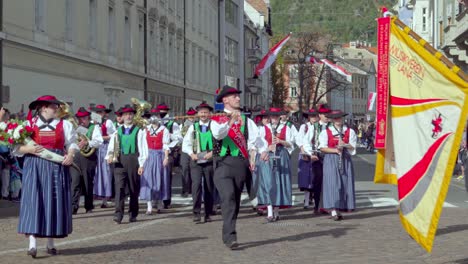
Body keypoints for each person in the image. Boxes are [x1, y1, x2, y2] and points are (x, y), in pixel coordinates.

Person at [14, 95, 78, 258]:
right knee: (33, 201)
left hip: (56, 167)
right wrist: (28, 150)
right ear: (43, 108)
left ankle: (50, 243)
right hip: (34, 166)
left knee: (53, 201)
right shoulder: (28, 125)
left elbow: (71, 143)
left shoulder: (65, 125)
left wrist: (70, 155)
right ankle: (32, 245)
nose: (56, 108)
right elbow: (16, 147)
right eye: (53, 106)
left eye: (56, 106)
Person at [210, 85, 267, 249]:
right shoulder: (216, 119)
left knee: (234, 201)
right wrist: (231, 121)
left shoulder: (247, 120)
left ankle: (229, 231)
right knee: (227, 197)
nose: (238, 98)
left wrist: (263, 151)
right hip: (223, 164)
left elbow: (258, 139)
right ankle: (230, 237)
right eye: (234, 96)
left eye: (238, 96)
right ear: (225, 100)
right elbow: (218, 134)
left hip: (240, 165)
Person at [106, 104, 148, 224]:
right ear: (122, 117)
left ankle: (133, 213)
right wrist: (109, 156)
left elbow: (143, 148)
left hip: (133, 160)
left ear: (133, 116)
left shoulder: (139, 131)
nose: (128, 116)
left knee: (133, 188)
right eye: (126, 114)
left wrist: (141, 164)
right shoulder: (117, 131)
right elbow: (112, 146)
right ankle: (118, 214)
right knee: (119, 188)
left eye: (130, 114)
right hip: (119, 161)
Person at [318, 109, 357, 221]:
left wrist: (345, 145)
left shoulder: (349, 131)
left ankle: (340, 208)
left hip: (345, 159)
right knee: (332, 184)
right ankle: (333, 210)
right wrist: (335, 150)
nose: (337, 120)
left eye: (339, 117)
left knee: (345, 183)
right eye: (335, 118)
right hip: (331, 159)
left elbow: (353, 147)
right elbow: (322, 148)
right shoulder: (326, 132)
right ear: (332, 119)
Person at [182, 102, 215, 223]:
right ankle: (196, 213)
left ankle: (208, 213)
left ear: (210, 114)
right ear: (198, 114)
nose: (203, 114)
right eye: (201, 112)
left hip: (209, 160)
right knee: (196, 186)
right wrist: (192, 154)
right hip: (196, 160)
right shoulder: (193, 127)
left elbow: (219, 142)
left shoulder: (214, 126)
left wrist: (212, 153)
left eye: (206, 112)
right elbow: (186, 144)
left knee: (209, 186)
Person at [70, 107, 103, 214]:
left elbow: (99, 141)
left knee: (87, 182)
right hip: (76, 157)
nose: (81, 121)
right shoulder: (75, 127)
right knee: (75, 182)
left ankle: (88, 206)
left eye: (83, 118)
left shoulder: (94, 128)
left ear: (88, 118)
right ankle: (73, 206)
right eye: (79, 118)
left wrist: (87, 143)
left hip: (89, 158)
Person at [265, 107, 293, 222]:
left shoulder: (286, 128)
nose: (274, 118)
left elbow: (291, 144)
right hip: (269, 155)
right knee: (269, 182)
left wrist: (280, 141)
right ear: (270, 117)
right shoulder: (264, 128)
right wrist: (268, 148)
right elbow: (257, 145)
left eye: (276, 116)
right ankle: (269, 211)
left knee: (280, 182)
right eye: (272, 116)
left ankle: (276, 211)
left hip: (282, 155)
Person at [140, 108, 170, 215]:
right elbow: (142, 146)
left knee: (159, 179)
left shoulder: (164, 130)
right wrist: (142, 160)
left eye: (156, 115)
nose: (154, 117)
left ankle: (160, 203)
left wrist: (166, 157)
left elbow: (166, 145)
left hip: (159, 155)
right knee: (148, 180)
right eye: (152, 115)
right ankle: (149, 206)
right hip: (148, 156)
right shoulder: (145, 130)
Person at [156, 103, 183, 208]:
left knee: (166, 178)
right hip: (157, 152)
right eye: (159, 112)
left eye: (162, 112)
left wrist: (168, 134)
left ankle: (166, 200)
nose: (160, 114)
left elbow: (179, 138)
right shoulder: (156, 123)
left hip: (169, 152)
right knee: (157, 176)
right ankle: (157, 199)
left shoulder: (173, 124)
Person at [296, 108, 321, 212]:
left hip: (316, 154)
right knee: (306, 180)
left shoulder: (319, 127)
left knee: (316, 178)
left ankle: (316, 201)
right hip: (305, 155)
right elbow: (300, 140)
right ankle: (306, 201)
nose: (314, 118)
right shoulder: (304, 127)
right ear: (309, 117)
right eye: (312, 116)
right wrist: (304, 152)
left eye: (315, 116)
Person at [92, 104, 117, 208]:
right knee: (97, 174)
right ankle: (96, 196)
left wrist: (102, 137)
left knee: (106, 173)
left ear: (104, 113)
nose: (99, 114)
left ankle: (105, 199)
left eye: (100, 112)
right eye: (97, 112)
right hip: (95, 149)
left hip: (105, 148)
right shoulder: (93, 123)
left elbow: (114, 135)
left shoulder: (108, 122)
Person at [180, 107, 197, 197]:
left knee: (194, 169)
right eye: (189, 116)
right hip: (185, 150)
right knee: (185, 169)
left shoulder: (197, 125)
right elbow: (180, 137)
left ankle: (193, 189)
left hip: (195, 149)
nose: (191, 117)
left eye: (192, 116)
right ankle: (185, 189)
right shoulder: (183, 125)